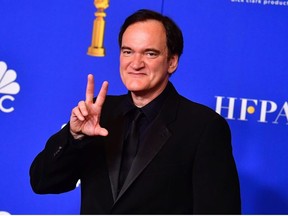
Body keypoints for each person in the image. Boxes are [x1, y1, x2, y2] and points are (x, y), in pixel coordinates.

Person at [30, 9, 241, 214]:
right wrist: (74, 137)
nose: (136, 63)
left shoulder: (203, 126)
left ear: (172, 62)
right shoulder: (99, 113)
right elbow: (42, 182)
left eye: (150, 53)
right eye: (127, 51)